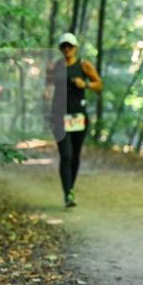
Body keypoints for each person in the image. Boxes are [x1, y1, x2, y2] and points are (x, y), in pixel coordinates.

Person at [47, 32, 102, 208]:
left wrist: (85, 84)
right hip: (59, 116)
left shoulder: (84, 66)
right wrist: (46, 92)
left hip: (78, 117)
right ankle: (67, 194)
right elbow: (47, 85)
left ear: (75, 48)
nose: (66, 49)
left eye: (69, 46)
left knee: (75, 155)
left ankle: (70, 188)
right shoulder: (54, 66)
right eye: (63, 46)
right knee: (66, 154)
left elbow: (99, 85)